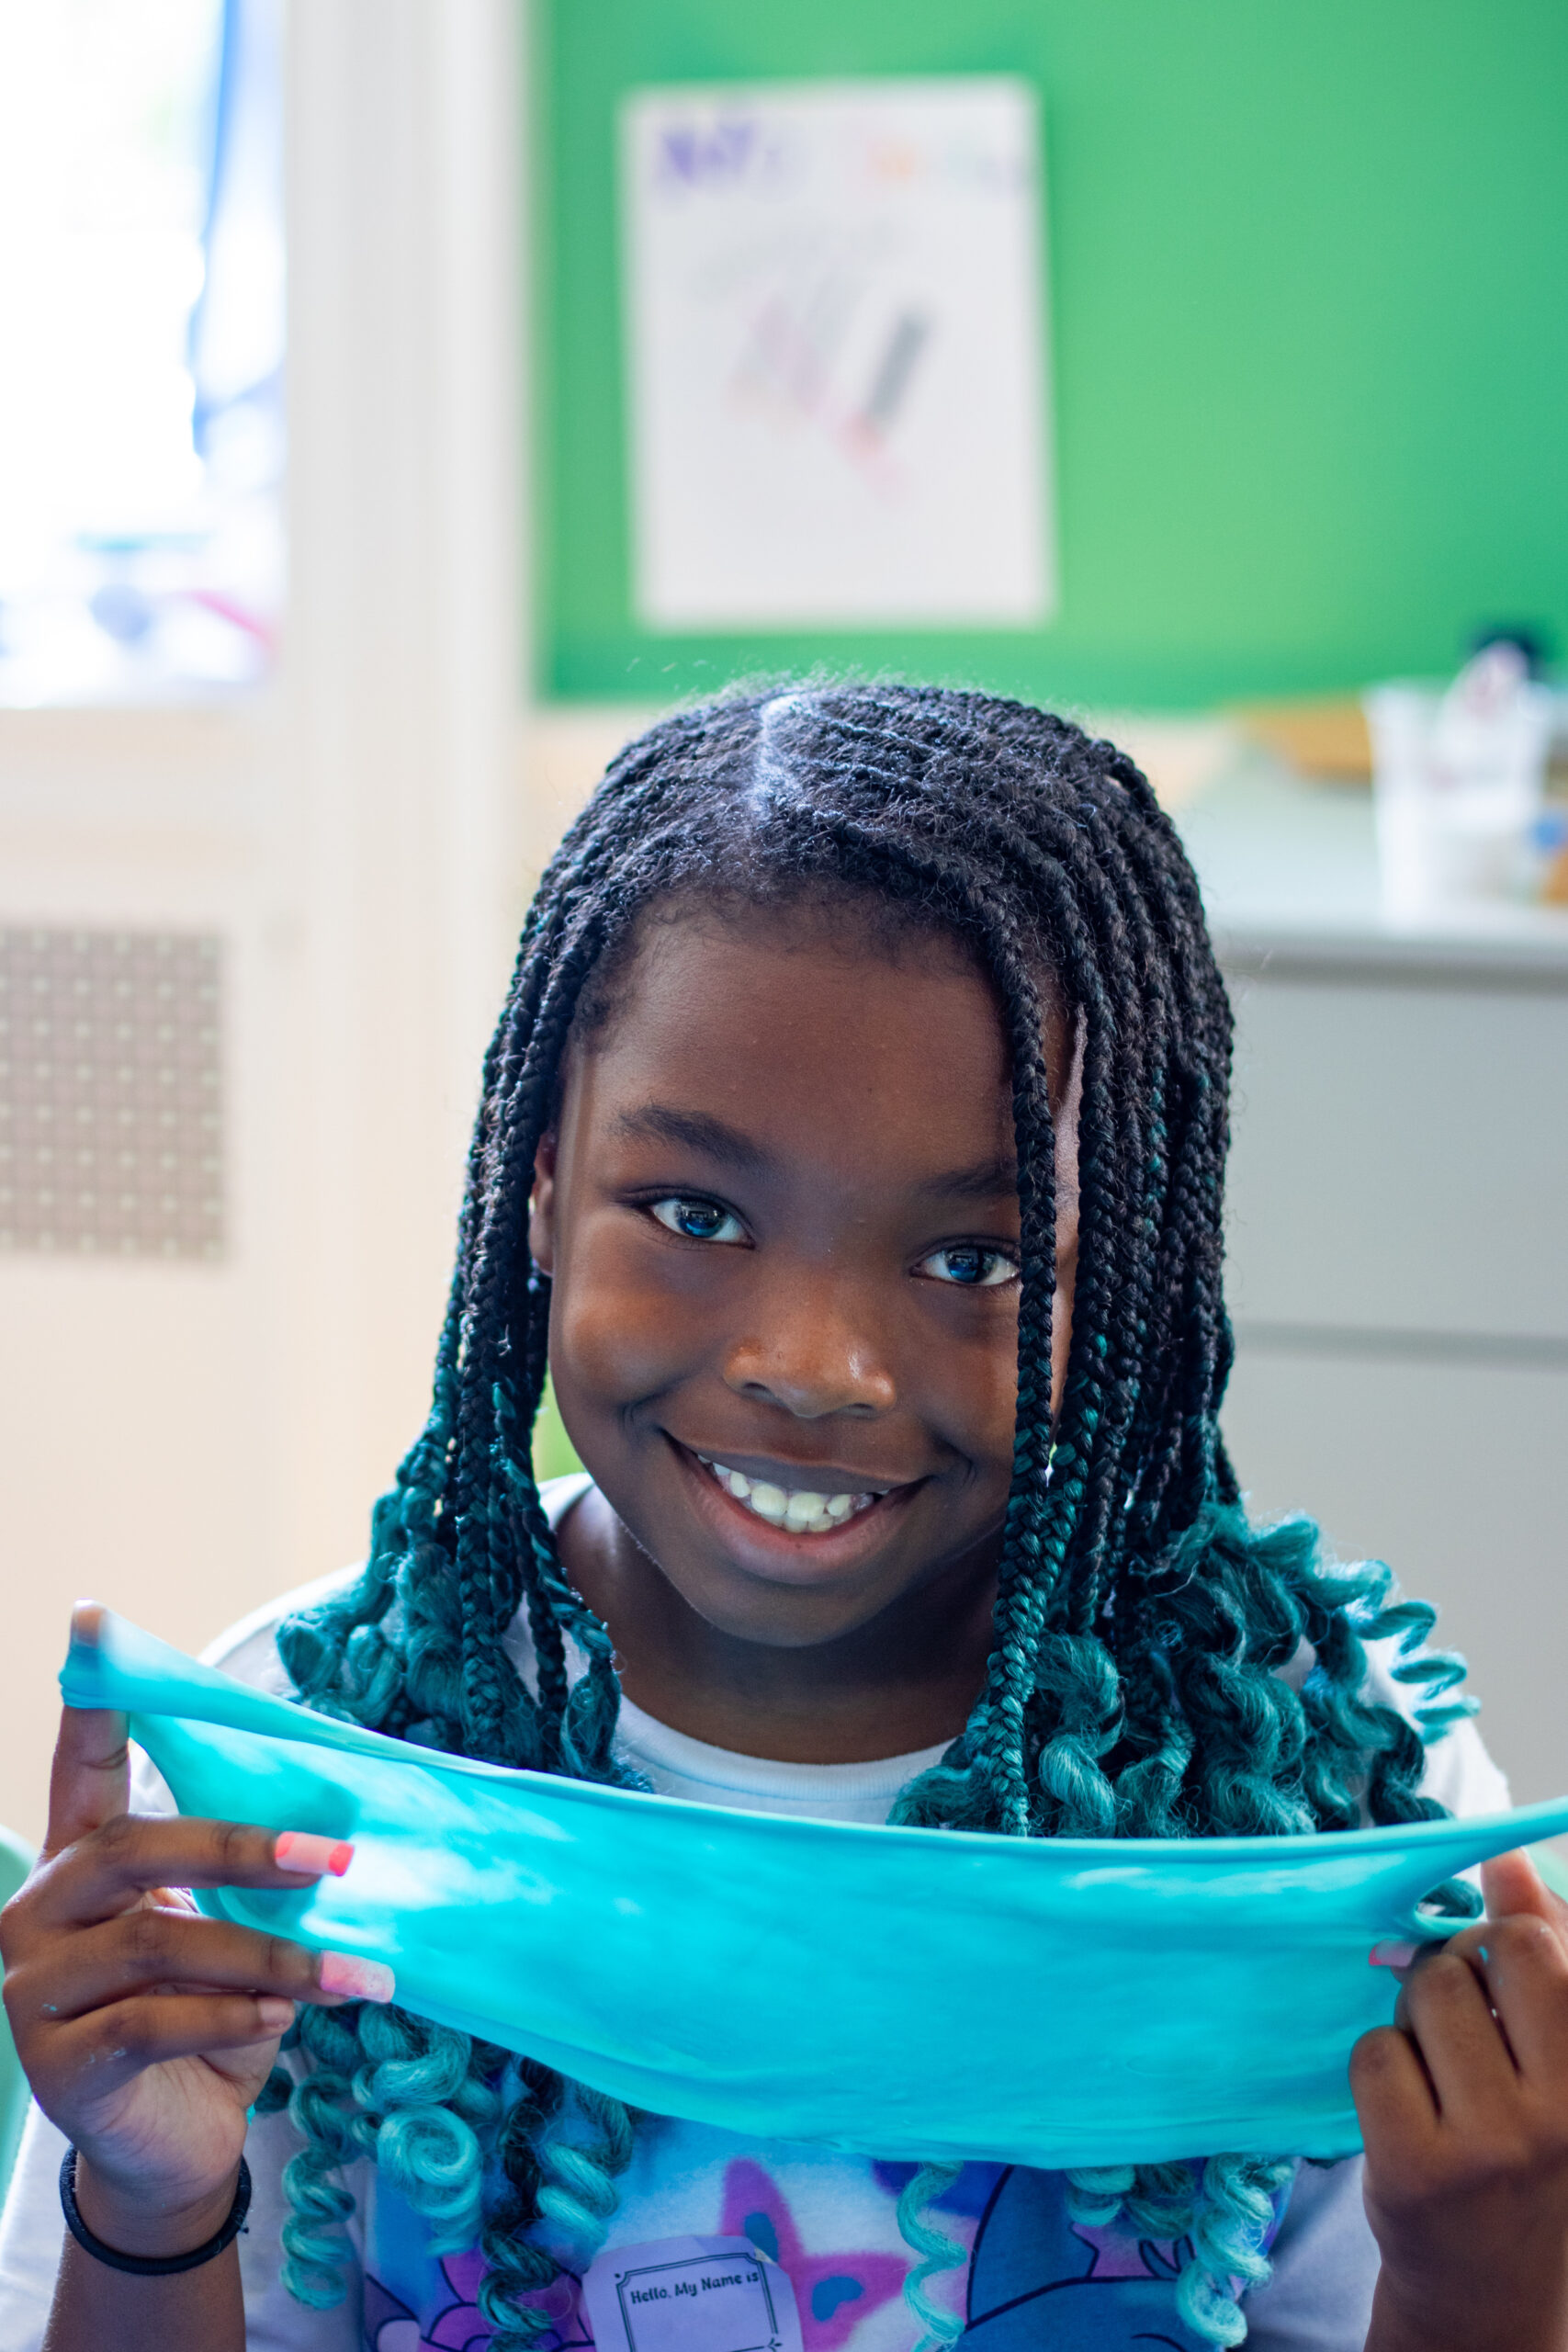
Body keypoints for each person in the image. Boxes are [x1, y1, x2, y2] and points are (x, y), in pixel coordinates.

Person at [3, 684, 1566, 2352]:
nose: (813, 1368)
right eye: (695, 1213)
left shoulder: (1319, 1819)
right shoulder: (307, 1782)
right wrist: (152, 2202)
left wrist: (1483, 2278)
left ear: (1127, 1285)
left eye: (974, 1257)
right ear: (542, 1184)